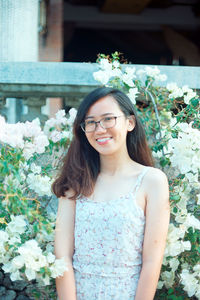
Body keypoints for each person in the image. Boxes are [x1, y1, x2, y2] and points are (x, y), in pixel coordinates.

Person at [52, 87, 170, 300]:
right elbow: (62, 258)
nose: (99, 129)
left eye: (108, 119)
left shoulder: (152, 181)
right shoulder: (74, 183)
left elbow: (152, 261)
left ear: (130, 123)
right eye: (91, 122)